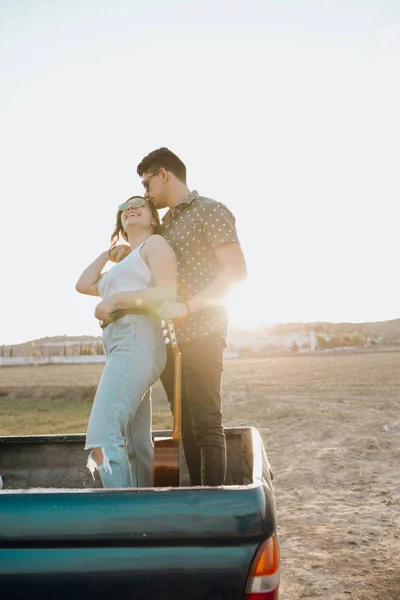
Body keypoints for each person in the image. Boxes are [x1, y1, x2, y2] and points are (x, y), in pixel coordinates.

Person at [136, 148, 247, 486]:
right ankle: (195, 497)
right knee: (181, 423)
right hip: (169, 338)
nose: (145, 193)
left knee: (206, 421)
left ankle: (213, 505)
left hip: (203, 329)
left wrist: (187, 307)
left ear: (164, 174)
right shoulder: (162, 227)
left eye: (146, 183)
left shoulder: (210, 211)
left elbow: (236, 273)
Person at [75, 196, 176, 488]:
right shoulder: (125, 264)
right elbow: (83, 284)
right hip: (121, 342)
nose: (130, 209)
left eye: (138, 205)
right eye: (123, 209)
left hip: (137, 336)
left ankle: (120, 516)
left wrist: (117, 299)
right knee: (136, 440)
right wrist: (109, 253)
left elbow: (167, 292)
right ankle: (145, 512)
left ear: (154, 218)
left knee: (103, 435)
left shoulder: (154, 245)